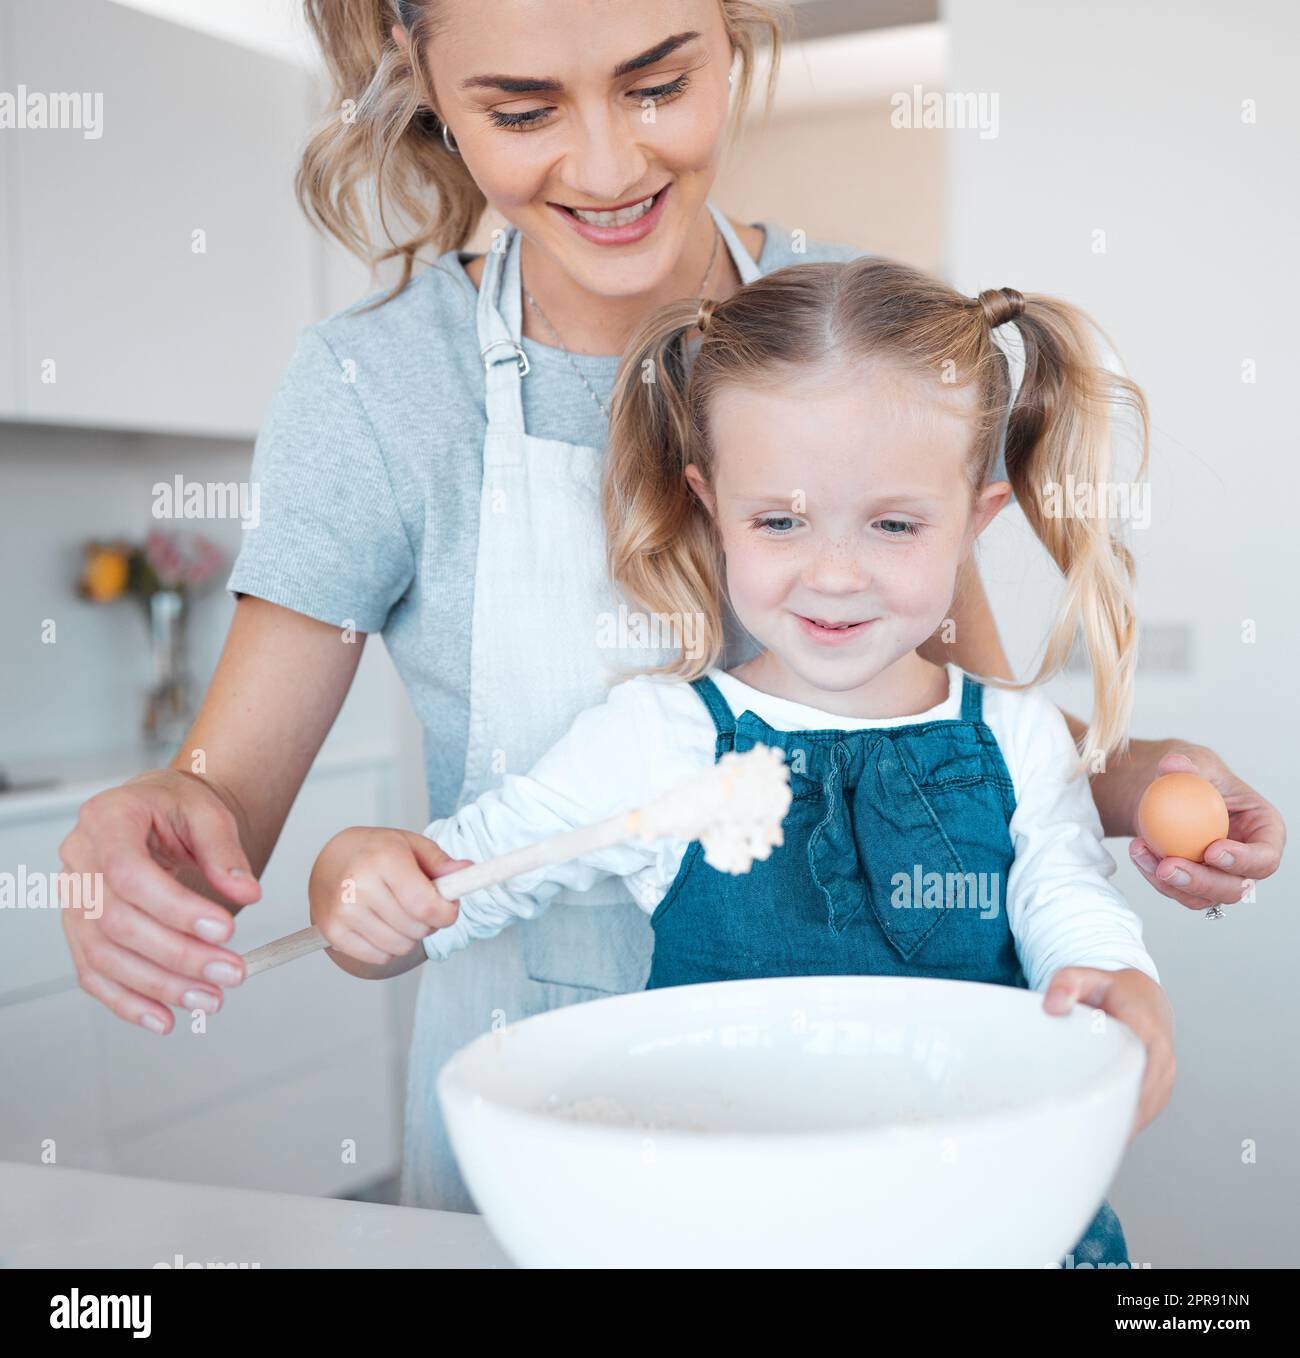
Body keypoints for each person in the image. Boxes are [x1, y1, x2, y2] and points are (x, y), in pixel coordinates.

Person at [58, 0, 1280, 1215]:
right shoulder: (376, 383)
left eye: (657, 83)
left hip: (893, 1135)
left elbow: (960, 731)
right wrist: (175, 815)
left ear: (733, 30)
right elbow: (230, 798)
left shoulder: (849, 329)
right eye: (521, 107)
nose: (605, 163)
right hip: (552, 1126)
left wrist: (1140, 779)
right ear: (418, 72)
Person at [309, 254, 1174, 1265]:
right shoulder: (658, 742)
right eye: (780, 521)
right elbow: (447, 893)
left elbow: (1068, 898)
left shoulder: (1020, 738)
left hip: (986, 1225)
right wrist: (359, 885)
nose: (835, 571)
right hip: (725, 1231)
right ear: (710, 505)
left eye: (894, 523)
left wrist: (1113, 975)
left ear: (973, 522)